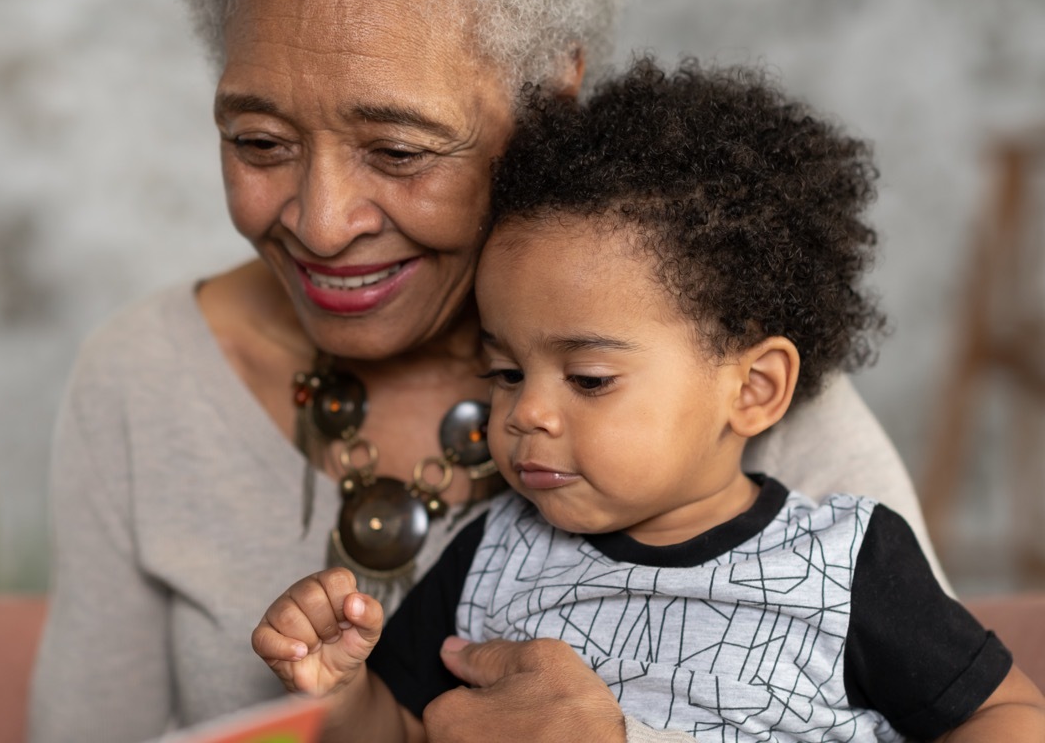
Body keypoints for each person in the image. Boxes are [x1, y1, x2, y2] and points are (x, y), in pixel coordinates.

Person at [28, 0, 948, 741]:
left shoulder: (717, 372)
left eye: (398, 152)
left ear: (550, 99)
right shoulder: (142, 377)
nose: (320, 223)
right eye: (260, 142)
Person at [251, 57, 1045, 742]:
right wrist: (342, 692)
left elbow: (1012, 716)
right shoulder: (490, 555)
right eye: (505, 373)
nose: (527, 412)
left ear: (754, 388)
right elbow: (403, 727)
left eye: (590, 379)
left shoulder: (844, 564)